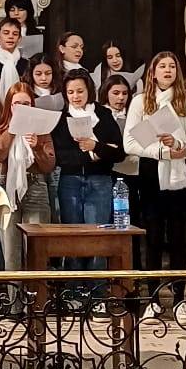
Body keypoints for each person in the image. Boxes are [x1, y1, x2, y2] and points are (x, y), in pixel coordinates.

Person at [123, 50, 186, 322]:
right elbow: (130, 143)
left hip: (179, 174)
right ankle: (152, 300)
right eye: (162, 66)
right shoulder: (141, 102)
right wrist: (160, 151)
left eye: (172, 66)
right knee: (152, 238)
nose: (167, 70)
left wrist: (179, 145)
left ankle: (179, 300)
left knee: (178, 239)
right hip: (151, 172)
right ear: (152, 73)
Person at [52, 70, 123, 282]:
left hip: (100, 181)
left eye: (80, 91)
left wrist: (95, 146)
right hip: (70, 181)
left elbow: (119, 152)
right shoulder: (61, 118)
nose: (76, 96)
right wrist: (93, 155)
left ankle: (97, 292)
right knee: (72, 238)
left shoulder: (104, 115)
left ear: (89, 90)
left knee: (97, 236)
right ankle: (73, 290)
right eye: (71, 92)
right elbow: (61, 156)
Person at [0, 79, 56, 264]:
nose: (21, 108)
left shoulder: (41, 131)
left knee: (36, 250)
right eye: (17, 104)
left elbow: (49, 164)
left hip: (36, 187)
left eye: (26, 104)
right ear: (9, 106)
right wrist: (13, 128)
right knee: (11, 251)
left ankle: (36, 284)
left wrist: (37, 147)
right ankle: (13, 284)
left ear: (32, 106)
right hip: (8, 188)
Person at [100, 73, 141, 236]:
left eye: (124, 93)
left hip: (133, 171)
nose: (121, 98)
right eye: (116, 93)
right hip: (109, 172)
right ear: (106, 93)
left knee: (133, 219)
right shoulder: (101, 115)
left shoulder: (133, 114)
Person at [0, 16, 28, 100]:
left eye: (15, 34)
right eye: (6, 33)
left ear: (19, 38)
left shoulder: (26, 65)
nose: (10, 36)